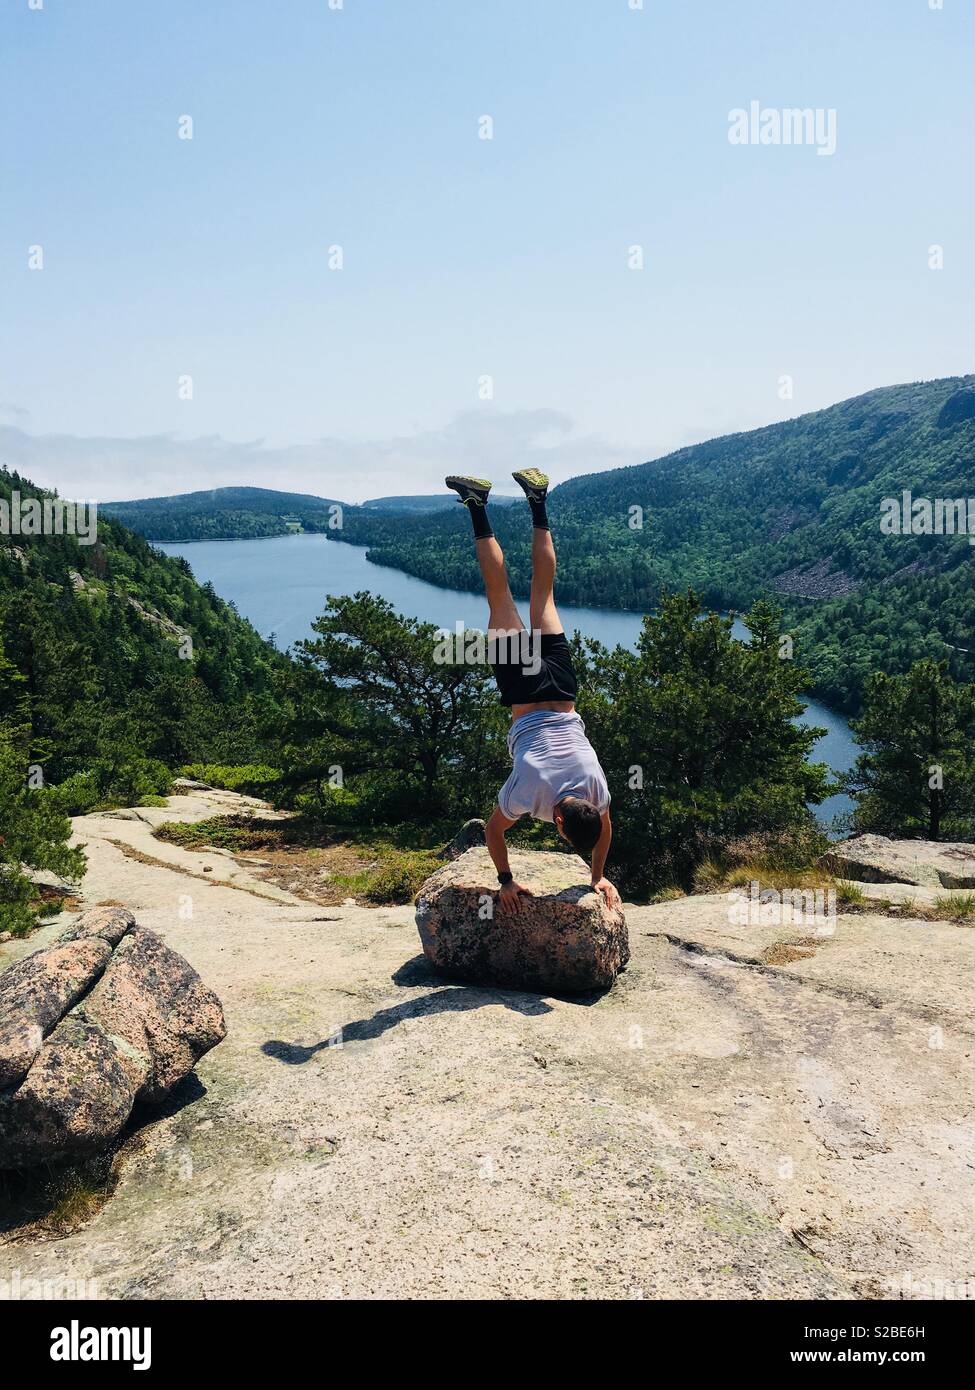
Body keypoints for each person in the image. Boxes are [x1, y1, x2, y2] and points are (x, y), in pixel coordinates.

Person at [445, 469, 621, 917]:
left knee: (543, 596)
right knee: (498, 596)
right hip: (523, 694)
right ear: (559, 821)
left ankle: (538, 499)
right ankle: (477, 506)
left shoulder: (596, 790)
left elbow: (605, 826)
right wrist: (505, 880)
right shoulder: (528, 789)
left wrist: (598, 872)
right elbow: (492, 831)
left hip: (562, 691)